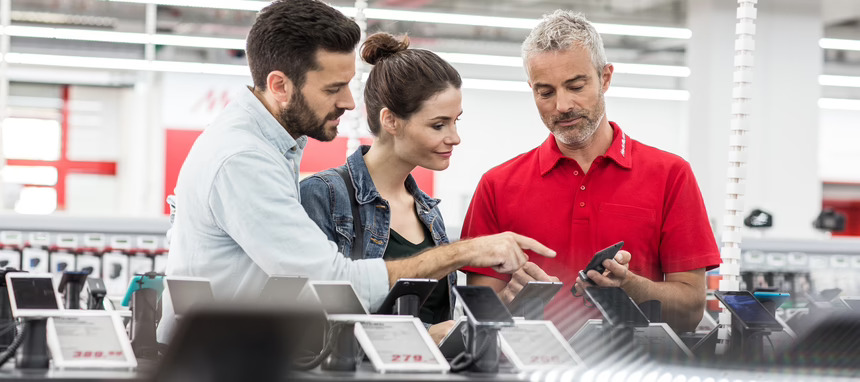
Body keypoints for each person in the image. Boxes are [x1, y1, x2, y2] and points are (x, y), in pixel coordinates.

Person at [162, 0, 555, 340]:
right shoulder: (244, 160)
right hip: (219, 359)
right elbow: (331, 287)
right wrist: (464, 252)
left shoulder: (274, 146)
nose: (350, 102)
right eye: (333, 88)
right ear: (280, 85)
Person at [461, 10, 721, 337]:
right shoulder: (496, 186)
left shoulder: (671, 176)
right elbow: (478, 318)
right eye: (545, 92)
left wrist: (631, 287)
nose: (562, 105)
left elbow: (690, 312)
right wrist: (511, 299)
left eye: (576, 85)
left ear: (606, 78)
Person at [300, 32, 461, 344]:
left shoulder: (430, 212)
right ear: (391, 120)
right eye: (439, 125)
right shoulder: (324, 196)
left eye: (456, 121)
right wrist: (423, 337)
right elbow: (312, 326)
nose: (454, 137)